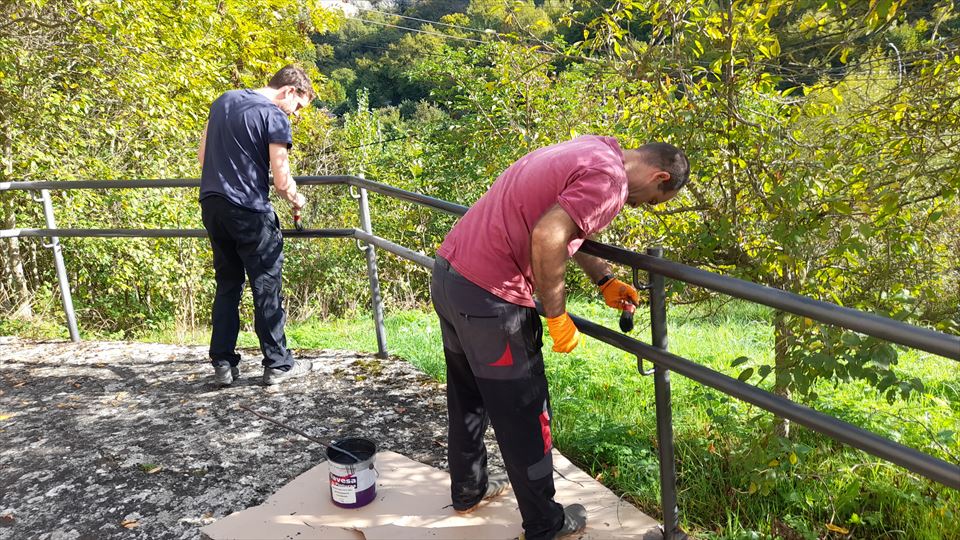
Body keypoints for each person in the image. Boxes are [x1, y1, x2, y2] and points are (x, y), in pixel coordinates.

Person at [430, 135, 689, 539]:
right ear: (660, 176)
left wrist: (602, 278)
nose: (642, 206)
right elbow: (549, 235)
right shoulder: (612, 182)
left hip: (451, 275)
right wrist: (556, 315)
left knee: (467, 393)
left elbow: (567, 223)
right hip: (490, 301)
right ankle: (545, 524)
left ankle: (468, 489)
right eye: (655, 199)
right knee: (525, 412)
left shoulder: (594, 148)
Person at [198, 65, 315, 386]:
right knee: (265, 285)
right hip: (249, 210)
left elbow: (202, 156)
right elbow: (281, 178)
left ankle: (223, 363)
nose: (297, 115)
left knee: (228, 284)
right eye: (299, 107)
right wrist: (296, 199)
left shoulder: (224, 101)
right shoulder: (275, 116)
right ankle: (276, 363)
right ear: (289, 91)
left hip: (212, 204)